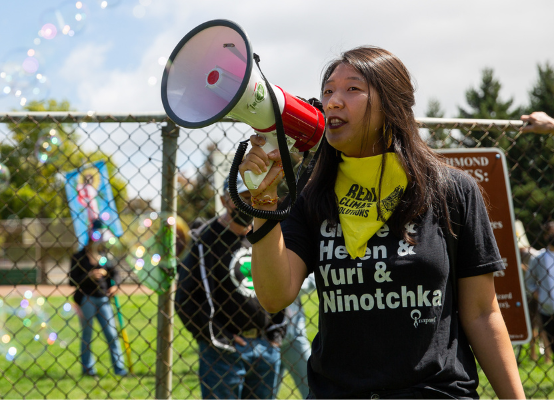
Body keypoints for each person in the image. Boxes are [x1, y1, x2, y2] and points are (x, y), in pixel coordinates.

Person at [240, 46, 525, 398]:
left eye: (352, 89)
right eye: (328, 91)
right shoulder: (313, 195)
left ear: (392, 103)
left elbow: (482, 314)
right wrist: (262, 201)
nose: (332, 102)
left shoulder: (451, 190)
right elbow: (273, 295)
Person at [176, 176, 287, 399]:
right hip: (223, 353)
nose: (248, 204)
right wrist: (217, 336)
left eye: (253, 198)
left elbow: (280, 282)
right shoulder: (205, 241)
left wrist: (277, 332)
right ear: (224, 200)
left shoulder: (266, 234)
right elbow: (185, 299)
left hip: (266, 346)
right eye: (241, 198)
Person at [68, 219, 128, 377]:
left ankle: (119, 368)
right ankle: (88, 369)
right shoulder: (78, 257)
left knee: (111, 334)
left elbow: (114, 272)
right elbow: (71, 280)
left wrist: (114, 284)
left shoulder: (104, 256)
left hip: (103, 298)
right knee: (87, 335)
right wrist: (89, 275)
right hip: (86, 298)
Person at [281, 274, 315, 399]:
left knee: (311, 387)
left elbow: (313, 280)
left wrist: (281, 286)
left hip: (293, 332)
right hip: (262, 336)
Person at [526, 221, 554, 356]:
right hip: (548, 311)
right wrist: (541, 297)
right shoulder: (538, 258)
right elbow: (529, 282)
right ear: (546, 236)